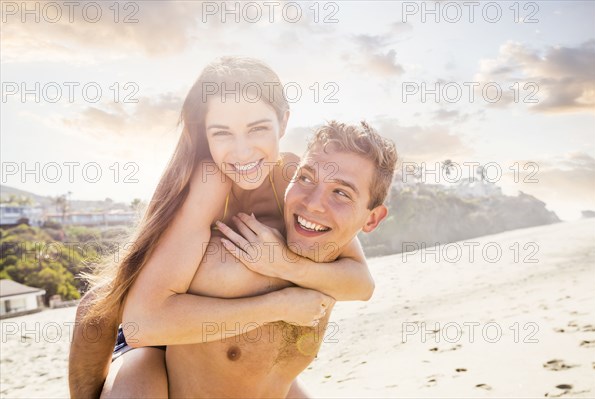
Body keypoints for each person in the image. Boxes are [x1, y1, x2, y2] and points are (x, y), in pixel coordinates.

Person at [68, 57, 383, 398]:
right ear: (204, 132)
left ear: (283, 121)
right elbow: (133, 322)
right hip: (149, 346)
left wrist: (282, 264)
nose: (242, 151)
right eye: (222, 133)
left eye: (257, 128)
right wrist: (279, 305)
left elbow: (361, 283)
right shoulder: (209, 182)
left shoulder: (296, 177)